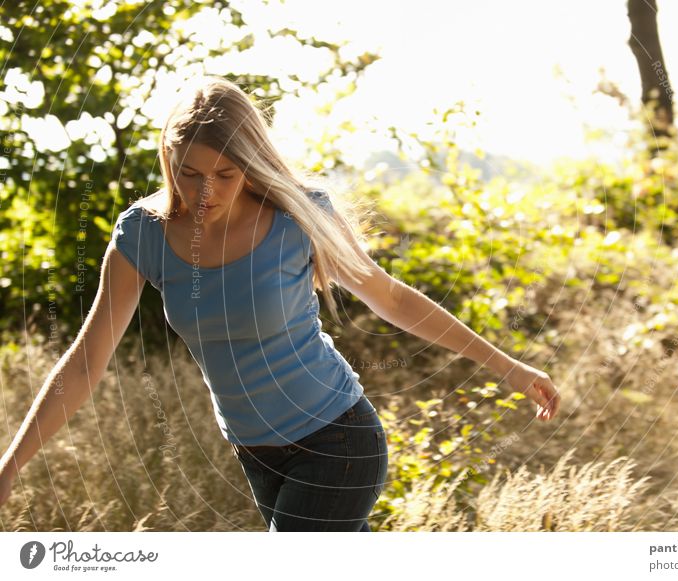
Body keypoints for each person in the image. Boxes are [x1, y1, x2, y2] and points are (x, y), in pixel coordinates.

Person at [0, 75, 560, 531]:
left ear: (251, 161)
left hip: (338, 440)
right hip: (255, 455)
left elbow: (391, 298)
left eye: (225, 174)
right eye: (188, 173)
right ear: (168, 161)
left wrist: (506, 365)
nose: (205, 192)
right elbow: (87, 359)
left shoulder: (297, 216)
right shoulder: (142, 235)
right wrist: (11, 463)